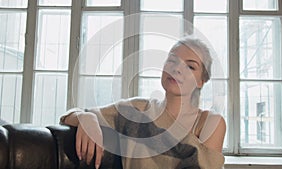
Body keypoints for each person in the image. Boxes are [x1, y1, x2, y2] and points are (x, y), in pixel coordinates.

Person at [60, 35, 226, 169]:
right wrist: (87, 118)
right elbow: (68, 117)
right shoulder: (136, 110)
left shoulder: (209, 122)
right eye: (172, 60)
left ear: (201, 81)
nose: (177, 69)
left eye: (190, 67)